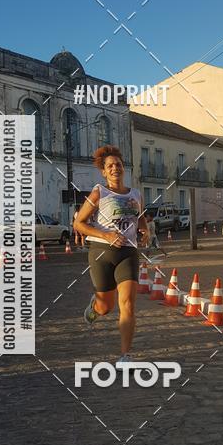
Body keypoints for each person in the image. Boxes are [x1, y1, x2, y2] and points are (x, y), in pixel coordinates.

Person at [74, 145, 149, 362]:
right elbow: (79, 223)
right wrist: (106, 236)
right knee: (107, 307)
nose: (115, 168)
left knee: (127, 304)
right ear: (104, 172)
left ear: (123, 168)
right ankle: (95, 307)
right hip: (102, 252)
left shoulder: (136, 194)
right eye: (110, 166)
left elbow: (141, 218)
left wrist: (145, 230)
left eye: (118, 164)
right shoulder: (100, 192)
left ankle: (125, 355)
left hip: (128, 252)